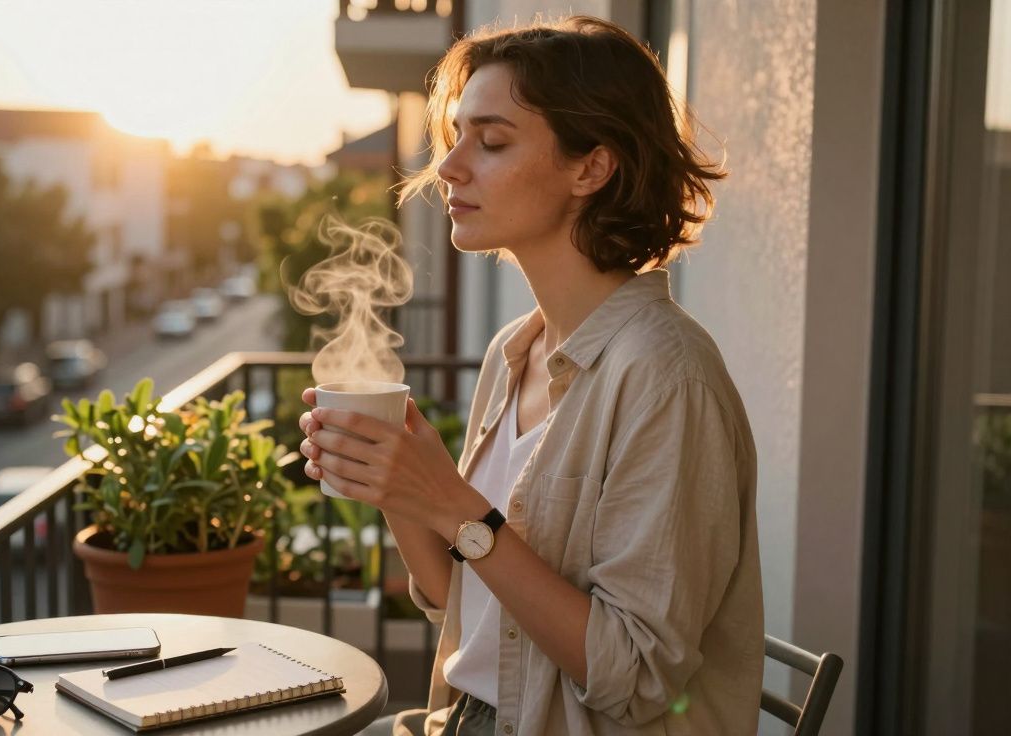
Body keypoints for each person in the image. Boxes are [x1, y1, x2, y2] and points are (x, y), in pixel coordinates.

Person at [298, 15, 764, 736]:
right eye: (456, 137)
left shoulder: (667, 379)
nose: (450, 168)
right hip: (468, 716)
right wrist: (395, 487)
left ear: (591, 168)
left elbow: (636, 679)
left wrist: (456, 507)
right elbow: (457, 599)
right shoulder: (513, 351)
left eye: (491, 142)